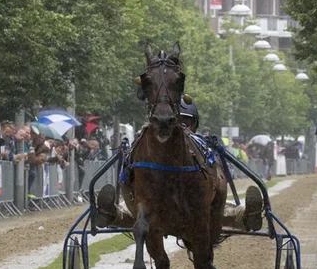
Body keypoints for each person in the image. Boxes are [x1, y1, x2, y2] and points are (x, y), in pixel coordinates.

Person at [94, 99, 263, 233]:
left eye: (185, 123)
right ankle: (109, 212)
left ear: (194, 125)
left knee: (217, 211)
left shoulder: (203, 146)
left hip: (196, 206)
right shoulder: (148, 148)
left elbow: (221, 178)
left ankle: (248, 216)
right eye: (174, 123)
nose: (179, 129)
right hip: (152, 206)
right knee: (138, 210)